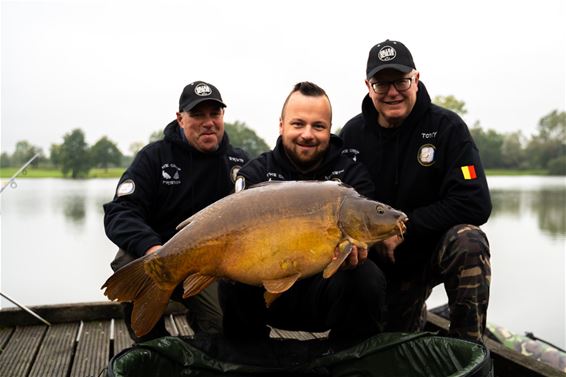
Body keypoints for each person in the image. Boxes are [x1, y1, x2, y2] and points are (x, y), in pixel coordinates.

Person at [339, 40, 492, 342]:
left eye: (401, 81)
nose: (392, 91)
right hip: (374, 263)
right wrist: (379, 236)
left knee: (469, 241)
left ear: (416, 79)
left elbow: (475, 203)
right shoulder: (352, 134)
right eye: (382, 83)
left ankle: (466, 350)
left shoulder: (447, 128)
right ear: (368, 86)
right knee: (387, 345)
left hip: (427, 253)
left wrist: (404, 228)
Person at [219, 81, 387, 344]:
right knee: (231, 278)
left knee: (367, 277)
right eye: (298, 124)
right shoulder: (255, 173)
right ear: (282, 125)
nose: (307, 134)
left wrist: (362, 250)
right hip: (266, 290)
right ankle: (247, 357)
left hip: (324, 292)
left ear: (329, 130)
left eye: (318, 126)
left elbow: (369, 226)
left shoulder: (351, 176)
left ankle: (351, 359)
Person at [103, 81, 249, 342]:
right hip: (160, 255)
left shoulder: (239, 163)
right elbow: (120, 212)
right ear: (180, 119)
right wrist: (152, 248)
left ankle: (203, 331)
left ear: (223, 117)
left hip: (209, 266)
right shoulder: (153, 158)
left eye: (214, 114)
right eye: (197, 115)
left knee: (222, 325)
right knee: (129, 261)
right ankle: (154, 343)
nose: (208, 122)